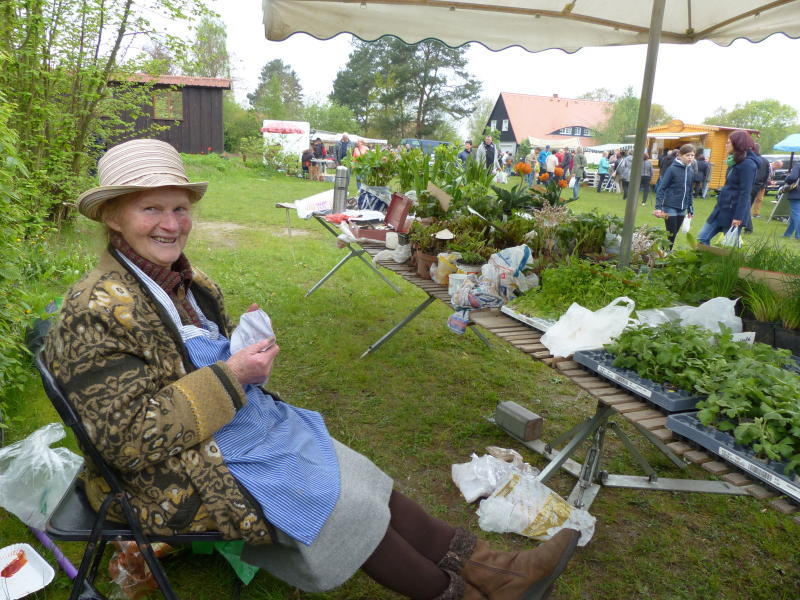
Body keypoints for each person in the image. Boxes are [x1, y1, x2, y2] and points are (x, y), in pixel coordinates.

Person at [42, 139, 581, 600]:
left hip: (224, 434)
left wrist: (242, 352)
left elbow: (194, 364)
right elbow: (127, 442)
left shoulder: (190, 283)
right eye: (151, 210)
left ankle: (495, 569)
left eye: (180, 208)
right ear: (112, 216)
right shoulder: (95, 312)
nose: (171, 224)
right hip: (162, 476)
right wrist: (233, 375)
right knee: (337, 504)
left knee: (357, 471)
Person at [696, 130, 759, 246]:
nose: (726, 145)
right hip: (721, 208)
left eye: (729, 142)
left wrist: (738, 216)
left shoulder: (748, 164)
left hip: (733, 212)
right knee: (702, 238)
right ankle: (706, 263)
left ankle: (731, 264)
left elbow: (745, 192)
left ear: (738, 144)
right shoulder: (736, 161)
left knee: (731, 247)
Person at [654, 144, 695, 249]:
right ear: (680, 155)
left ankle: (663, 253)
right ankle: (665, 255)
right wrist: (658, 207)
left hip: (682, 208)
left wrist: (690, 208)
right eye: (687, 155)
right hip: (669, 206)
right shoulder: (672, 169)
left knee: (673, 235)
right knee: (671, 234)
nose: (690, 157)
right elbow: (661, 188)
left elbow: (690, 191)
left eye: (692, 155)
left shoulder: (691, 171)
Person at [746, 143, 770, 230]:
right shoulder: (765, 161)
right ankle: (747, 226)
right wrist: (762, 184)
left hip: (750, 184)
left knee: (745, 206)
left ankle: (748, 227)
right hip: (758, 186)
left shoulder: (751, 160)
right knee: (748, 205)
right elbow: (767, 174)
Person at [781, 160, 800, 240]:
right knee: (794, 215)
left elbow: (793, 177)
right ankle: (787, 234)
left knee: (796, 214)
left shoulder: (798, 165)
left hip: (797, 193)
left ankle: (799, 235)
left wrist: (787, 177)